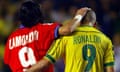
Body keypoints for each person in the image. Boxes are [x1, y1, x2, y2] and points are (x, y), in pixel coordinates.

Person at [4, 1, 89, 72]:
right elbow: (68, 29)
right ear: (38, 15)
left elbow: (7, 63)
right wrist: (79, 15)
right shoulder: (43, 29)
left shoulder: (11, 37)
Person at [27, 9, 114, 72]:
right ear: (95, 24)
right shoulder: (106, 40)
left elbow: (45, 63)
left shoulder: (66, 37)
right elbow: (110, 70)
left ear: (78, 23)